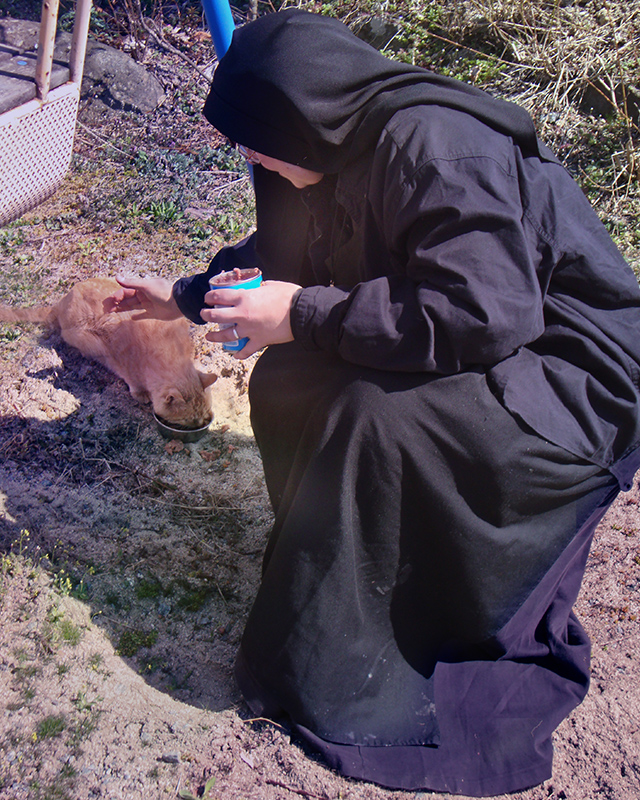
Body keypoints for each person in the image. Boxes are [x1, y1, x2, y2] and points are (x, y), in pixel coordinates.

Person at [108, 9, 640, 796]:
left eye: (255, 141)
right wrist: (186, 297)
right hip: (484, 339)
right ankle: (338, 593)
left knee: (373, 419)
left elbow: (485, 312)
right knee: (292, 382)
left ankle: (407, 641)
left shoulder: (438, 148)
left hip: (570, 377)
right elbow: (285, 256)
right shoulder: (324, 144)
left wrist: (301, 316)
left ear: (303, 115)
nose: (249, 156)